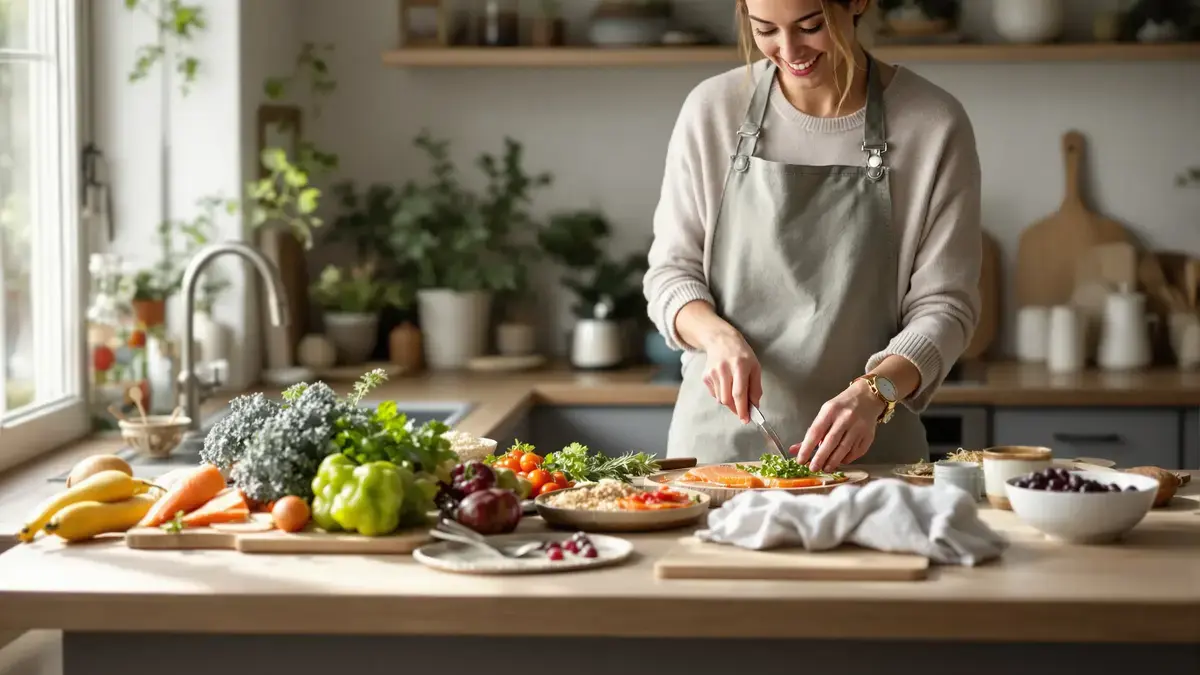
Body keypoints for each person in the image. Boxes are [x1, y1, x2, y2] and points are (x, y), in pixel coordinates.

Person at [643, 0, 981, 472]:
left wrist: (874, 392)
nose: (789, 50)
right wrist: (717, 337)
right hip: (718, 460)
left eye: (810, 26)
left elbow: (946, 307)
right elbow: (670, 274)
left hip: (874, 462)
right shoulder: (712, 110)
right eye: (764, 30)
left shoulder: (933, 123)